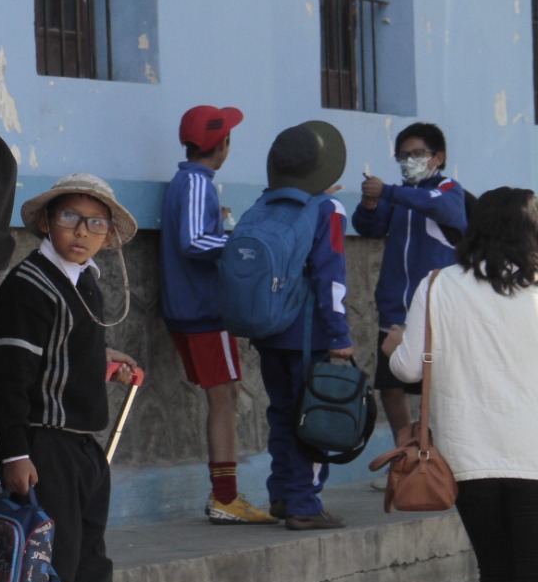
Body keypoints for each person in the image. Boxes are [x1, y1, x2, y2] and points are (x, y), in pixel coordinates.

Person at [0, 174, 150, 582]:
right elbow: (8, 378)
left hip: (83, 448)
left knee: (91, 572)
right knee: (49, 571)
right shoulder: (29, 285)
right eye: (70, 219)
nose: (82, 232)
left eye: (95, 222)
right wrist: (14, 453)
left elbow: (66, 346)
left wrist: (102, 356)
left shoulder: (87, 281)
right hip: (44, 444)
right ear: (46, 223)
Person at [383, 187, 538, 582]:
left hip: (468, 455)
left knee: (497, 574)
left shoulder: (439, 285)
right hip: (532, 452)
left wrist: (394, 343)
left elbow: (405, 368)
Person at [160, 105, 276, 525]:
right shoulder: (196, 183)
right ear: (221, 144)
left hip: (188, 308)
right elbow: (194, 242)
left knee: (222, 396)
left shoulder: (188, 182)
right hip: (204, 310)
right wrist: (238, 245)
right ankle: (225, 496)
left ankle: (224, 494)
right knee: (223, 398)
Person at [251, 121, 353, 530]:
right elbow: (332, 277)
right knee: (310, 418)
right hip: (308, 335)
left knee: (280, 414)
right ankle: (304, 505)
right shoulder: (327, 210)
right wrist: (340, 335)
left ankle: (281, 493)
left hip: (268, 329)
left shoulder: (264, 204)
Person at [354, 122, 468, 449]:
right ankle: (406, 455)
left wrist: (388, 191)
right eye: (403, 155)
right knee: (391, 388)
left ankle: (446, 455)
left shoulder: (447, 190)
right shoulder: (399, 197)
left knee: (439, 388)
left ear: (438, 157)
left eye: (417, 153)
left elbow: (442, 208)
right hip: (394, 312)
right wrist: (371, 204)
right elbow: (370, 228)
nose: (409, 161)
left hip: (436, 313)